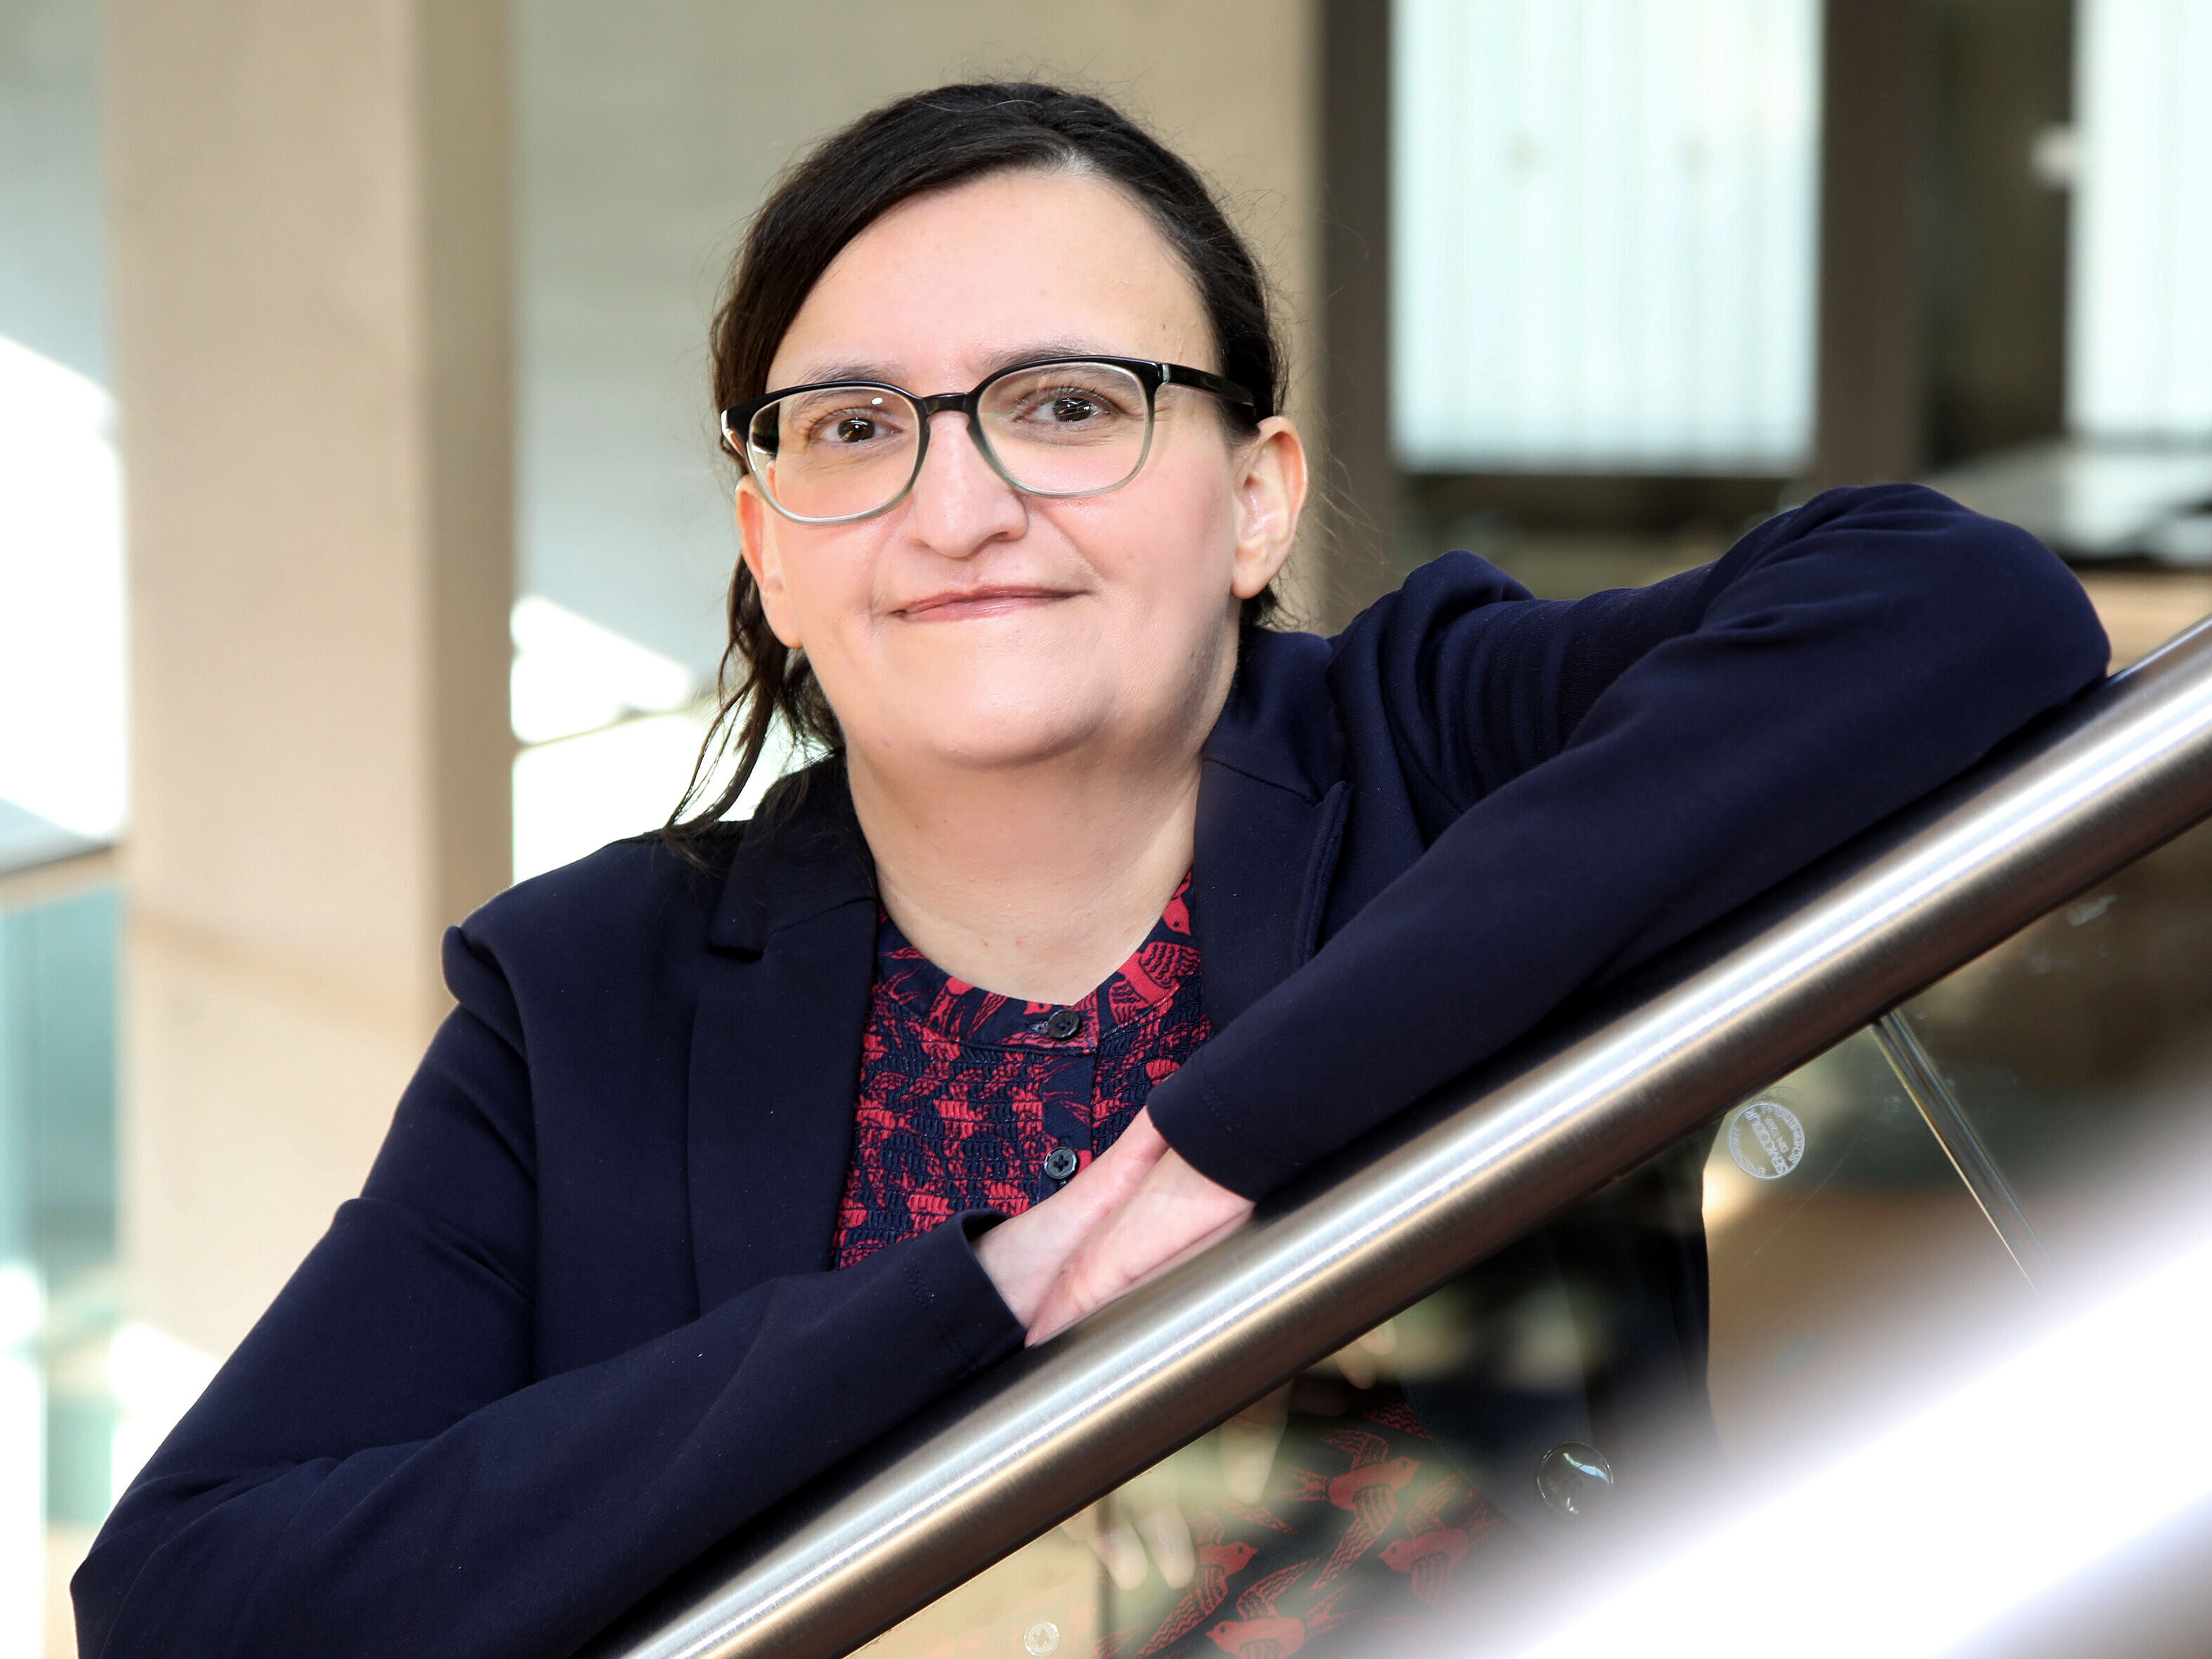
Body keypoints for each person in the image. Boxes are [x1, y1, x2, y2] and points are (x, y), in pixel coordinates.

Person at [74, 82, 2108, 1659]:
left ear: (1257, 497)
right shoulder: (590, 995)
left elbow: (1960, 611)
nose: (957, 505)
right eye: (853, 427)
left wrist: (1234, 1148)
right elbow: (190, 1598)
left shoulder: (1430, 737)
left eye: (1066, 406)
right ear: (771, 545)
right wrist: (991, 1293)